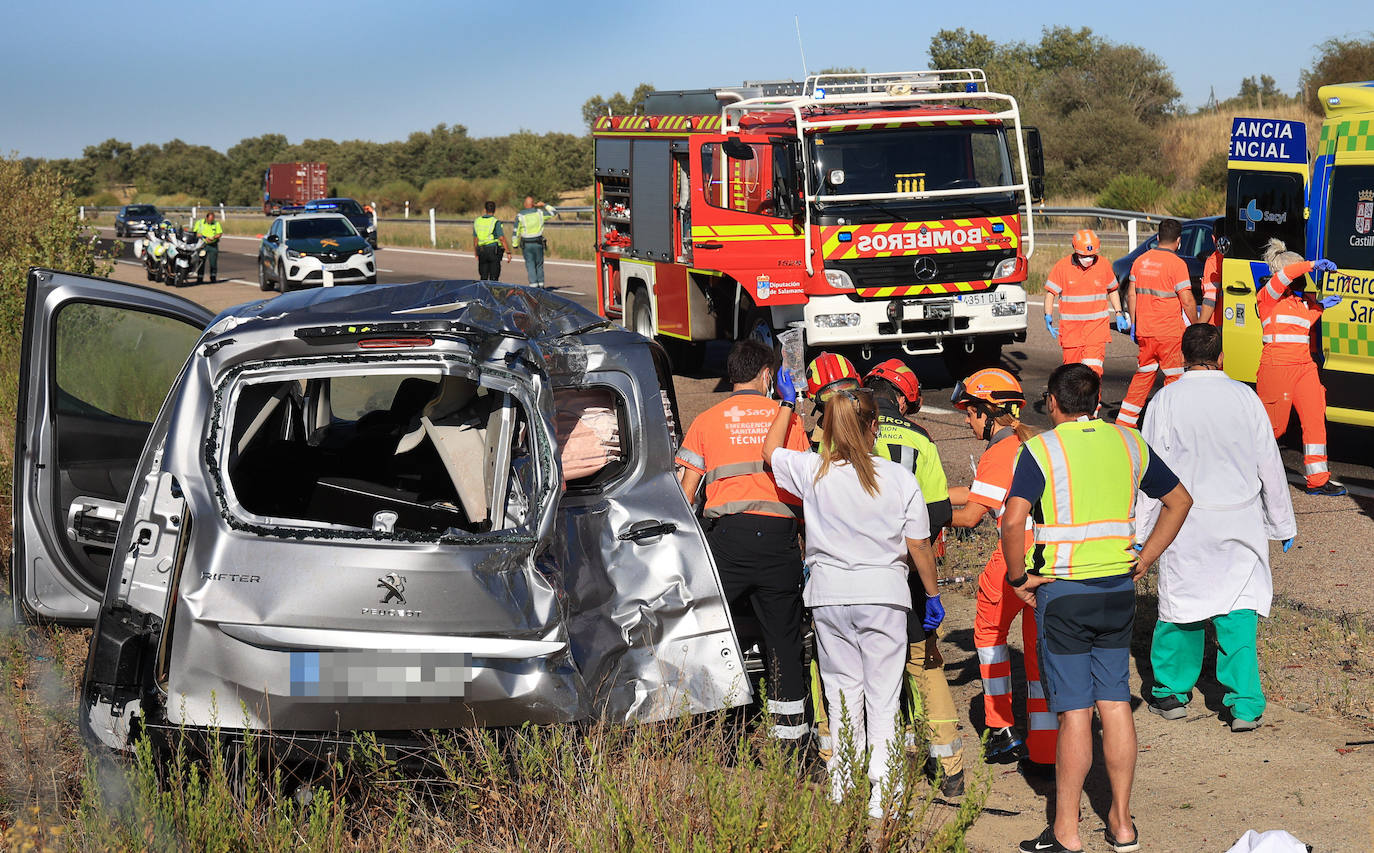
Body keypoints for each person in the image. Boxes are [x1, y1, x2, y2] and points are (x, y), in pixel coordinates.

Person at [1003, 364, 1193, 853]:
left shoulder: (1041, 449)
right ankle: (1122, 823)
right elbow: (1179, 500)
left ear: (1051, 401)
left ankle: (1067, 829)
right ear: (1096, 401)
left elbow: (1013, 521)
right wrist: (1145, 558)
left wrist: (1019, 577)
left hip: (1064, 594)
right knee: (1114, 701)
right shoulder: (1129, 443)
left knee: (1073, 713)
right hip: (1117, 591)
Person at [762, 370, 943, 819]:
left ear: (828, 428)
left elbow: (769, 453)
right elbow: (919, 545)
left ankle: (843, 788)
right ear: (873, 427)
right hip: (883, 596)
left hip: (828, 597)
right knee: (883, 696)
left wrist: (789, 402)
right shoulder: (898, 479)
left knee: (842, 695)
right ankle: (884, 796)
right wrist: (933, 594)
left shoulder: (814, 471)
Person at [1138, 324, 1296, 732]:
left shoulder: (1165, 400)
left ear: (1181, 358)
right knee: (1239, 608)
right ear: (1222, 357)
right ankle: (1245, 705)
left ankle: (1171, 693)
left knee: (1181, 608)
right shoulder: (1245, 397)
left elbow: (1150, 472)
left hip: (1183, 521)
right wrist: (1281, 521)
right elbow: (1269, 465)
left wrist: (1139, 533)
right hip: (1239, 520)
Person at [675, 340, 811, 744]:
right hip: (776, 540)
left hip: (726, 540)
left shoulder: (706, 420)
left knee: (717, 635)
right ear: (767, 375)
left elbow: (685, 493)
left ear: (732, 375)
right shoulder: (786, 419)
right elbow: (805, 486)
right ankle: (791, 744)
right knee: (784, 641)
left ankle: (720, 735)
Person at [864, 358, 964, 795]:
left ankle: (858, 767)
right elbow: (939, 510)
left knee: (854, 668)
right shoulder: (918, 439)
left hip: (850, 572)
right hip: (907, 570)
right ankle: (951, 768)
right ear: (904, 398)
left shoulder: (841, 432)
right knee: (924, 663)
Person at [948, 368, 1055, 770]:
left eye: (971, 412)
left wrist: (924, 511)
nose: (967, 419)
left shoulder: (998, 452)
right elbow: (982, 493)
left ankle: (1001, 729)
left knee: (989, 639)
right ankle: (1045, 747)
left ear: (989, 414)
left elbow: (972, 514)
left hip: (1010, 556)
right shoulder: (1032, 444)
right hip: (1045, 555)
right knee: (1035, 651)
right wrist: (930, 490)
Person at [1255, 239, 1345, 496]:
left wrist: (1321, 306)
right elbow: (1287, 274)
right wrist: (1313, 264)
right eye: (1302, 274)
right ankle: (1245, 470)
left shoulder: (1301, 303)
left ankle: (1318, 480)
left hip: (1304, 367)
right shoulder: (1268, 297)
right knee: (1275, 428)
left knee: (1315, 417)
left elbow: (1305, 320)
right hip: (1277, 368)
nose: (1305, 279)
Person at [1117, 218, 1197, 428]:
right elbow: (1187, 300)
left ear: (1158, 237)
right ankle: (1169, 423)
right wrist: (1196, 326)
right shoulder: (1177, 264)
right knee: (1174, 379)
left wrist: (1135, 324)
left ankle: (1125, 422)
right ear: (1178, 241)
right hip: (1169, 333)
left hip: (1145, 331)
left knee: (1143, 375)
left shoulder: (1141, 261)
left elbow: (1132, 295)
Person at [1043, 229, 1130, 377]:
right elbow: (1051, 293)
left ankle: (1094, 400)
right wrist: (1048, 315)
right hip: (1072, 332)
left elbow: (1113, 290)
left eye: (1091, 256)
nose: (1088, 259)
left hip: (1096, 329)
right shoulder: (1062, 267)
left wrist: (1119, 313)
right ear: (1075, 251)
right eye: (1084, 256)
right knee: (1072, 374)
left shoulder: (1103, 265)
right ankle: (1073, 401)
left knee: (1093, 371)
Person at [514, 195, 557, 287]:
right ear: (533, 204)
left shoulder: (520, 216)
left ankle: (534, 287)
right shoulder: (540, 213)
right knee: (539, 265)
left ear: (525, 204)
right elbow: (554, 212)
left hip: (527, 244)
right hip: (538, 243)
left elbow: (515, 231)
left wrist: (515, 244)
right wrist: (544, 205)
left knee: (530, 265)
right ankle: (541, 287)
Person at [1198, 219, 1228, 326]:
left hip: (1217, 324)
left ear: (1213, 238)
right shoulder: (1237, 259)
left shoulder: (1213, 261)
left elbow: (1210, 300)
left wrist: (1198, 327)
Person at [472, 201, 510, 281]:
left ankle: (483, 292)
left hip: (481, 250)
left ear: (485, 209)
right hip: (493, 251)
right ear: (494, 210)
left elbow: (475, 238)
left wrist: (476, 251)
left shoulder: (477, 221)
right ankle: (492, 293)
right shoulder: (495, 222)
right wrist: (508, 252)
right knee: (494, 277)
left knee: (483, 276)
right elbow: (501, 238)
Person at [193, 211, 223, 283]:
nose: (211, 221)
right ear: (206, 218)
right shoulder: (199, 223)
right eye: (209, 220)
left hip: (213, 245)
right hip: (202, 245)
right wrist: (204, 237)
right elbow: (195, 233)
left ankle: (213, 277)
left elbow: (219, 233)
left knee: (213, 262)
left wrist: (214, 237)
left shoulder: (216, 224)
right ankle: (200, 278)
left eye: (212, 220)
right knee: (201, 261)